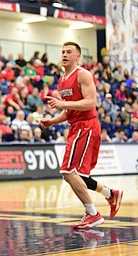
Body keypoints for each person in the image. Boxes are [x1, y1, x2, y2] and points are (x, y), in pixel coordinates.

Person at [39, 41, 123, 229]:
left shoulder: (83, 74)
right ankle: (111, 194)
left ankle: (93, 214)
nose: (64, 55)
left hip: (86, 126)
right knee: (79, 175)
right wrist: (51, 121)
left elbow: (90, 102)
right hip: (77, 126)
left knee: (68, 171)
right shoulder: (62, 80)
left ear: (77, 56)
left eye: (69, 52)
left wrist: (63, 105)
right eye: (62, 52)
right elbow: (69, 110)